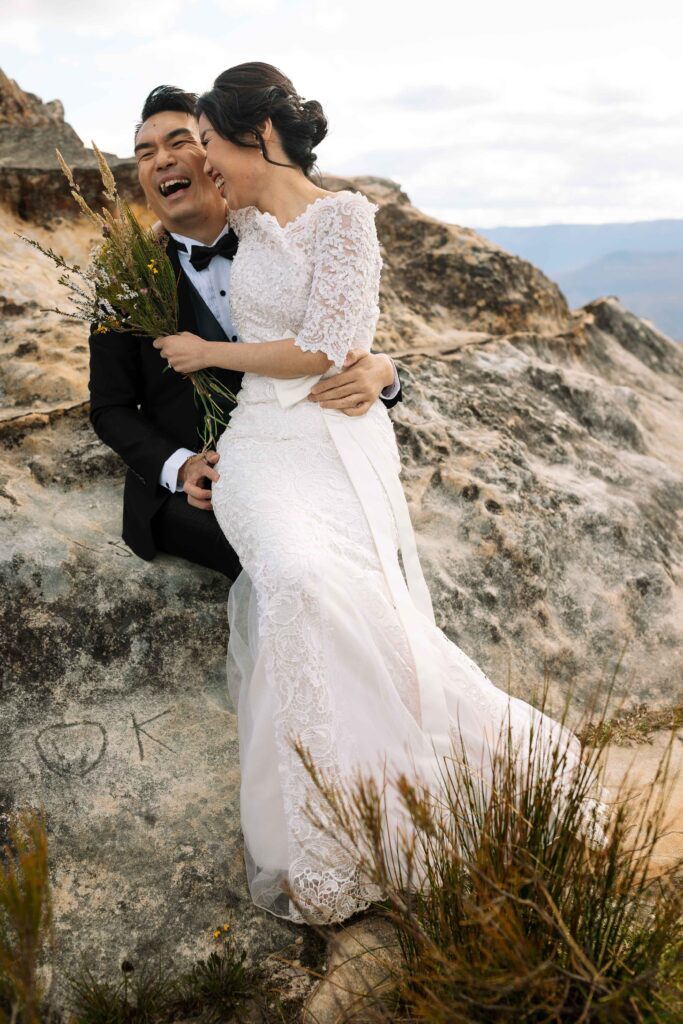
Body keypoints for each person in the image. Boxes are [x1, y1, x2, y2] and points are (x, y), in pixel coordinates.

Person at [154, 63, 592, 925]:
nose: (200, 161)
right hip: (259, 452)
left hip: (337, 442)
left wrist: (225, 357)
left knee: (351, 601)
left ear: (263, 137)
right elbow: (178, 232)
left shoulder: (346, 218)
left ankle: (401, 810)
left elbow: (332, 345)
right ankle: (327, 837)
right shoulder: (230, 218)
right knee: (298, 583)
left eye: (207, 142)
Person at [88, 85, 403, 579]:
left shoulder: (275, 234)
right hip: (201, 491)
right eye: (146, 154)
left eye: (181, 142)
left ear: (217, 156)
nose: (162, 160)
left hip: (303, 454)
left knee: (358, 544)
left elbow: (334, 328)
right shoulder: (123, 278)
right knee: (299, 563)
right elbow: (109, 407)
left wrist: (384, 372)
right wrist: (180, 466)